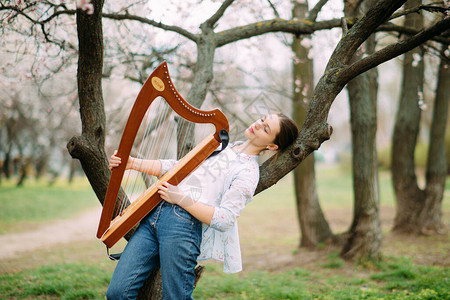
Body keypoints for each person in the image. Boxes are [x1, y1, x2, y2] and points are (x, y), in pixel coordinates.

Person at [106, 113, 298, 300]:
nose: (258, 124)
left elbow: (225, 219)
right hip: (153, 218)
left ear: (272, 145)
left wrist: (181, 198)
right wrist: (132, 163)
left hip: (183, 227)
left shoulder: (248, 172)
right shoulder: (223, 146)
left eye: (265, 128)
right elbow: (178, 167)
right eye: (262, 119)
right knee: (117, 293)